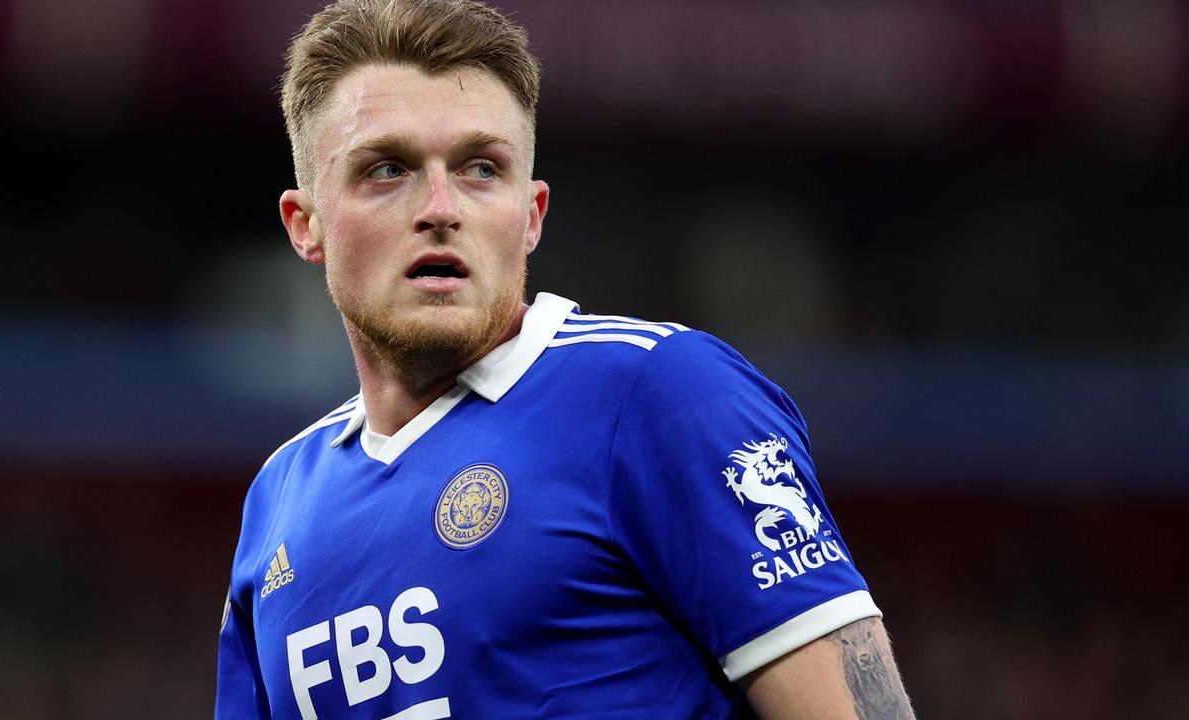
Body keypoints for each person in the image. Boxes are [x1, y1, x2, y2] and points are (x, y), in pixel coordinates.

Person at [215, 1, 914, 718]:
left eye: (481, 168)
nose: (439, 207)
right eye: (387, 169)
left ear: (531, 215)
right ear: (307, 225)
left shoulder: (657, 392)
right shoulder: (278, 506)